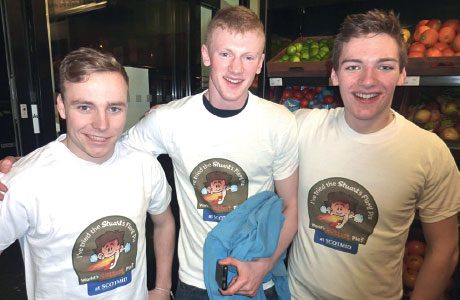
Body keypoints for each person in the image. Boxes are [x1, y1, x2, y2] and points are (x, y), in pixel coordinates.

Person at [0, 5, 298, 300]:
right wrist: (22, 167)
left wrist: (263, 266)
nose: (236, 68)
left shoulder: (280, 122)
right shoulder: (168, 120)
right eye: (225, 54)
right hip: (193, 282)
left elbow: (291, 205)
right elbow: (97, 144)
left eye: (248, 57)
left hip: (257, 275)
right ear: (206, 55)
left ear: (260, 62)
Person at [288, 9, 459, 300]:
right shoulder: (300, 128)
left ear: (402, 74)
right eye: (353, 66)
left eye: (384, 66)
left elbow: (446, 249)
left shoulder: (430, 153)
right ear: (334, 73)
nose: (368, 81)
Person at [0, 47, 176, 299]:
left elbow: (164, 222)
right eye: (85, 107)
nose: (101, 124)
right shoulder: (24, 180)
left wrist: (161, 287)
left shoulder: (144, 166)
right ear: (61, 106)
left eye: (114, 108)